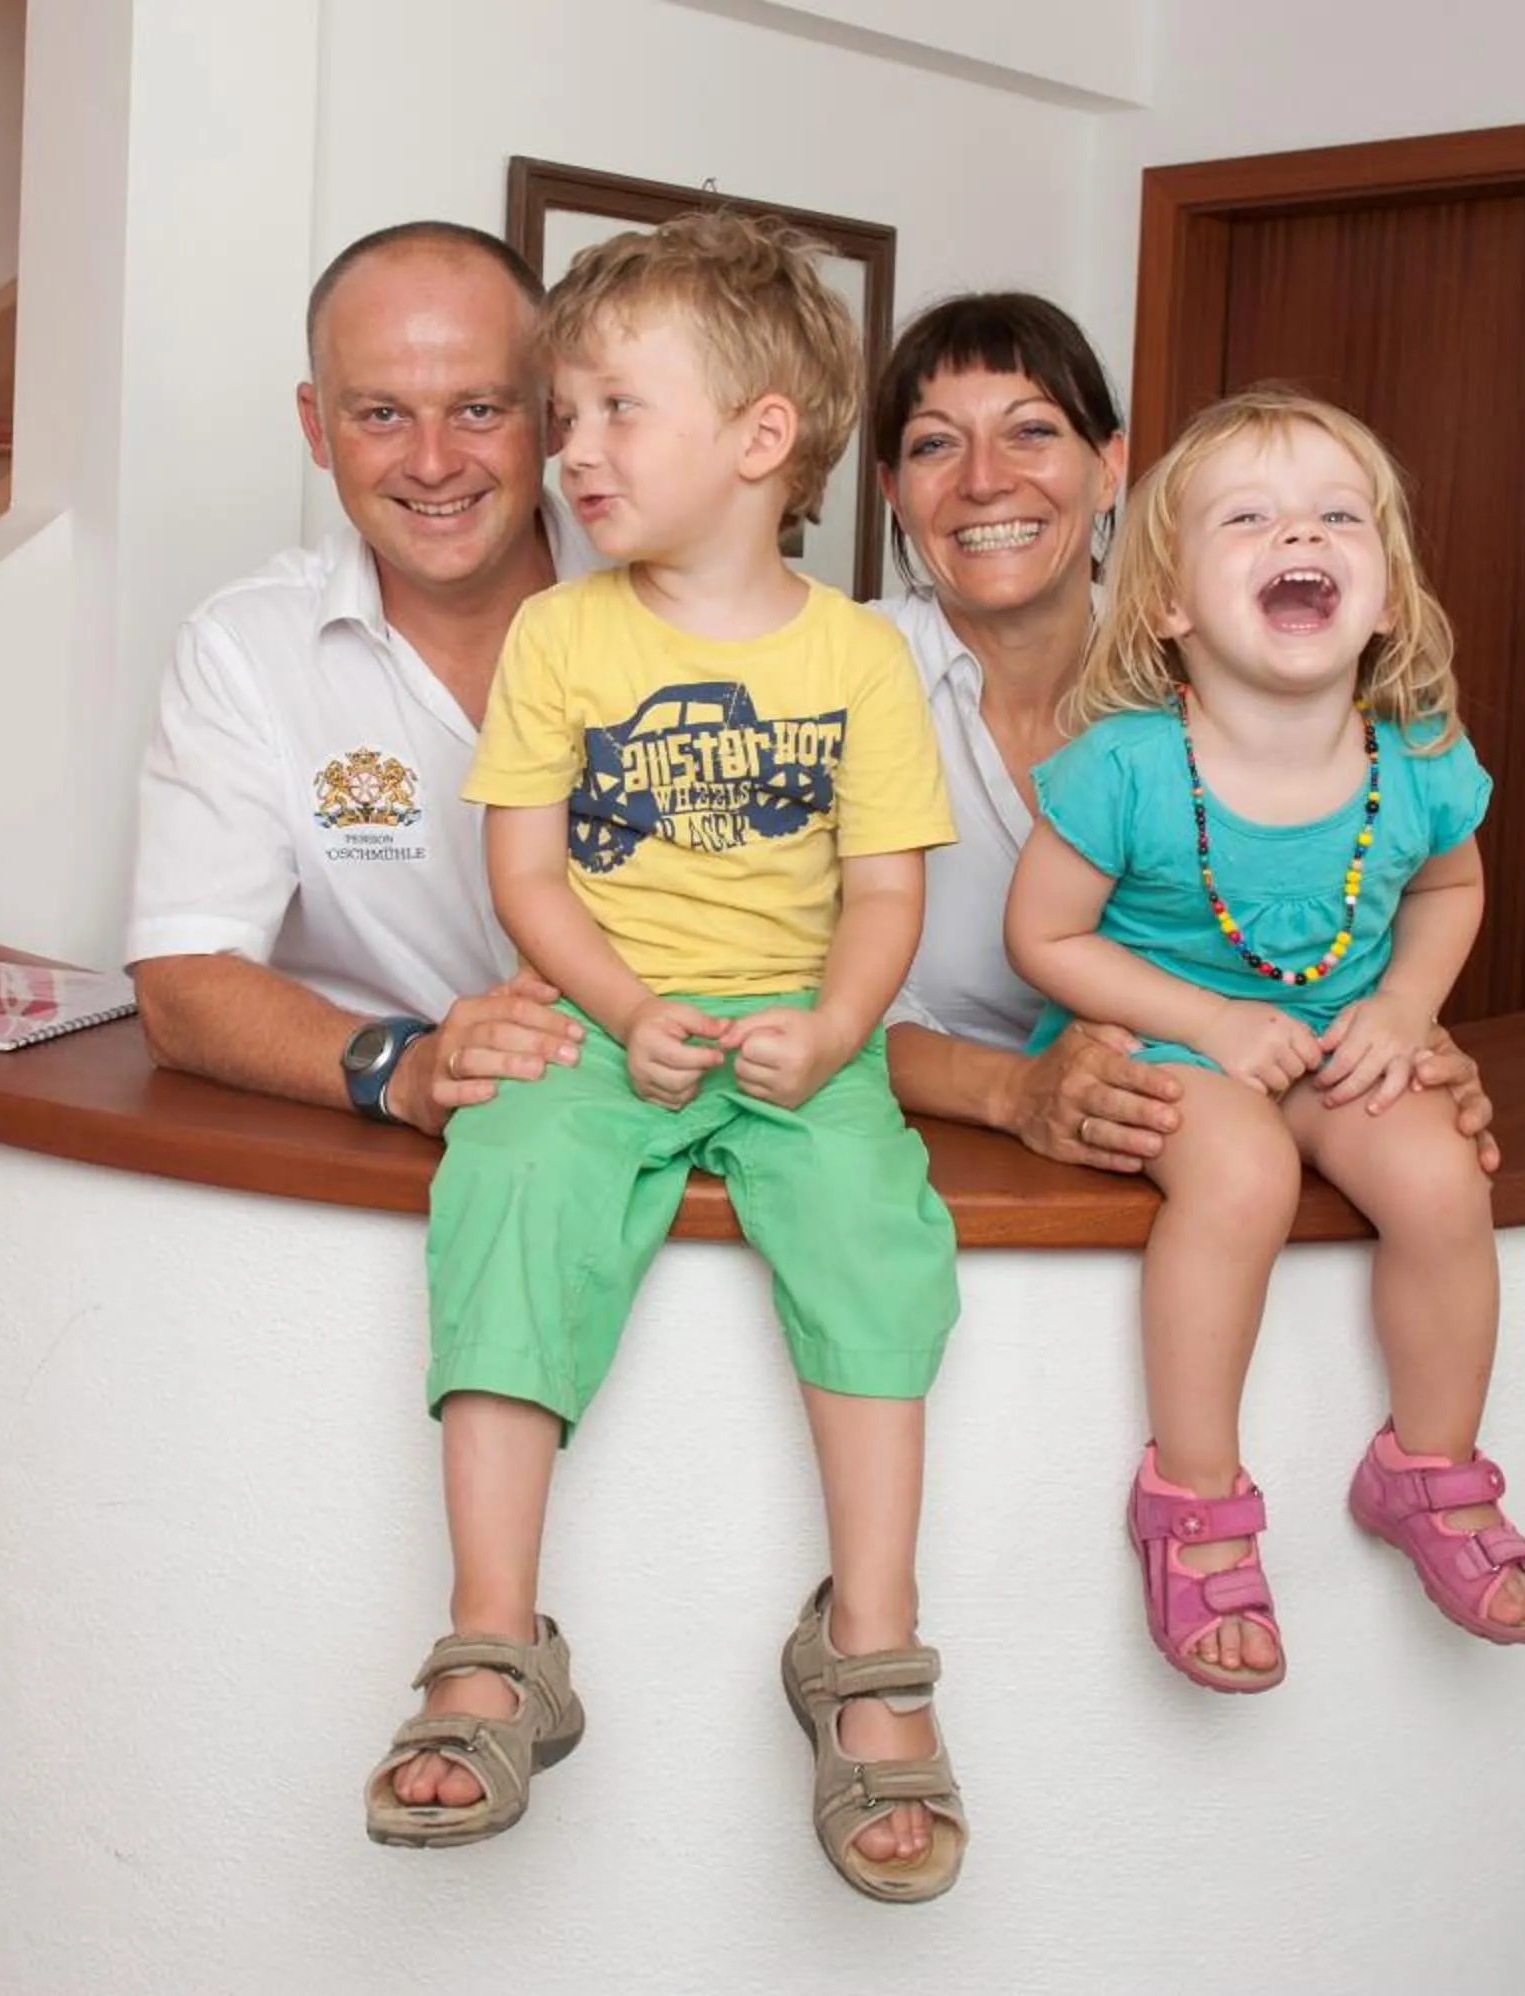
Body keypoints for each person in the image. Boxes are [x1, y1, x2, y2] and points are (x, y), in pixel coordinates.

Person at [366, 211, 971, 1903]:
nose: (572, 447)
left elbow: (882, 890)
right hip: (596, 1018)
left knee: (872, 1235)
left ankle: (868, 1643)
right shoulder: (563, 635)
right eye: (566, 414)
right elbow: (525, 877)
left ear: (761, 440)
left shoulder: (859, 656)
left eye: (617, 409)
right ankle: (494, 1638)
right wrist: (627, 1016)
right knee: (509, 1182)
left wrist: (838, 1030)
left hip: (800, 1032)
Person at [1002, 387, 1525, 1694]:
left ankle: (1428, 1470)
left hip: (1339, 1038)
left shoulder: (1415, 752)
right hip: (1165, 1039)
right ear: (1169, 607)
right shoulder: (1127, 762)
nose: (1297, 530)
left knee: (1437, 1177)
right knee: (1240, 1176)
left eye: (1335, 515)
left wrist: (1408, 1010)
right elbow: (1047, 940)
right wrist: (1207, 1020)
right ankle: (1192, 1498)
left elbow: (1450, 891)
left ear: (1385, 598)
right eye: (1248, 516)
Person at [866, 295, 1499, 1206]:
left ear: (1110, 464)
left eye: (1032, 431)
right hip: (940, 1168)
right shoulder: (826, 678)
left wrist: (1398, 1035)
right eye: (934, 444)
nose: (983, 480)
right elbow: (756, 989)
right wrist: (1012, 1090)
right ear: (891, 488)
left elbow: (1383, 894)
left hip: (1206, 1123)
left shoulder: (1257, 665)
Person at [124, 221, 591, 1142]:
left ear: (552, 413)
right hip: (373, 1169)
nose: (431, 463)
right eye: (381, 414)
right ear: (315, 426)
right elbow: (182, 984)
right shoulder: (242, 648)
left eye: (479, 410)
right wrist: (408, 1067)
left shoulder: (686, 618)